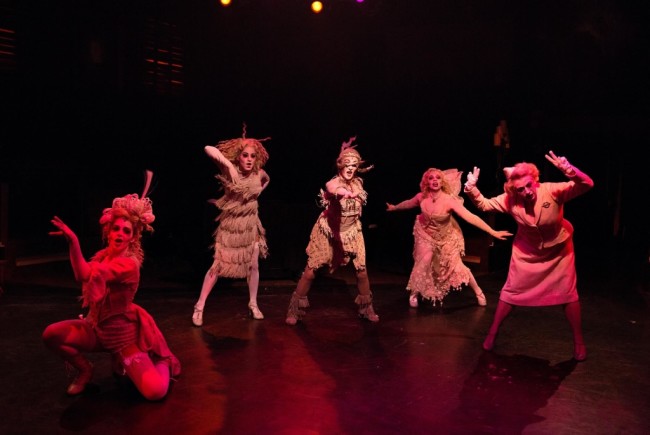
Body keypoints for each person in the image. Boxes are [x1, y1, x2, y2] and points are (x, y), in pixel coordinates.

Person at [42, 172, 181, 400]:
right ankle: (86, 371)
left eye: (126, 231)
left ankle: (162, 361)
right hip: (96, 328)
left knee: (155, 392)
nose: (119, 234)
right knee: (51, 335)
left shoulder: (129, 265)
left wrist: (74, 240)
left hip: (121, 337)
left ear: (132, 237)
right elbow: (82, 274)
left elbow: (84, 275)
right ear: (108, 231)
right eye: (116, 228)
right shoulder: (102, 257)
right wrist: (72, 244)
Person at [463, 151, 593, 361]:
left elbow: (586, 185)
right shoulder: (510, 199)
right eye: (520, 189)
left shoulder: (552, 190)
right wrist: (472, 189)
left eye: (528, 186)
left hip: (559, 250)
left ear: (536, 181)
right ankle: (492, 334)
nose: (526, 192)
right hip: (526, 253)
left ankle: (579, 341)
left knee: (568, 293)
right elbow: (485, 205)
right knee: (511, 291)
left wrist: (570, 171)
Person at [286, 136, 379, 325]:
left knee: (361, 272)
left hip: (352, 232)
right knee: (310, 272)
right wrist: (346, 193)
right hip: (328, 231)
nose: (351, 168)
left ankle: (366, 308)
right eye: (347, 164)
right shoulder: (334, 183)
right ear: (340, 166)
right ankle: (294, 310)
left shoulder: (358, 183)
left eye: (354, 164)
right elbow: (331, 187)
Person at [387, 168, 512, 307]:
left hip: (446, 237)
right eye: (431, 178)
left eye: (438, 178)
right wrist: (395, 207)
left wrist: (492, 231)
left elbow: (470, 217)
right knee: (424, 260)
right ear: (426, 182)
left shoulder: (449, 200)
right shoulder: (421, 196)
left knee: (457, 266)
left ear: (442, 182)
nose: (435, 180)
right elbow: (409, 203)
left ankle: (478, 292)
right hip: (425, 233)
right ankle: (415, 293)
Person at [192, 126, 270, 326]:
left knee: (253, 264)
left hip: (250, 224)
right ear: (239, 156)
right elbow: (208, 148)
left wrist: (258, 194)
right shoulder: (229, 170)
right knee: (217, 266)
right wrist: (227, 163)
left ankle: (253, 303)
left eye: (253, 156)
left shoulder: (259, 173)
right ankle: (199, 306)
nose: (249, 159)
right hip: (231, 227)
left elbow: (266, 180)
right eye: (245, 155)